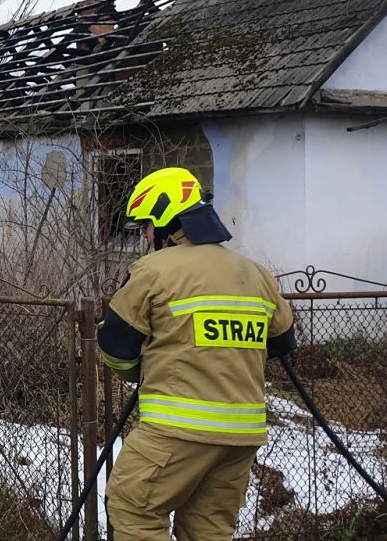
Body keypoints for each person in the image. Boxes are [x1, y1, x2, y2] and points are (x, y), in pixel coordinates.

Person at [98, 167, 296, 541]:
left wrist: (138, 371)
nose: (145, 236)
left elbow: (115, 349)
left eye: (145, 226)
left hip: (176, 429)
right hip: (241, 437)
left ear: (163, 223)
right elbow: (283, 342)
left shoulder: (154, 271)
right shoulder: (256, 275)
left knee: (133, 509)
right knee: (208, 530)